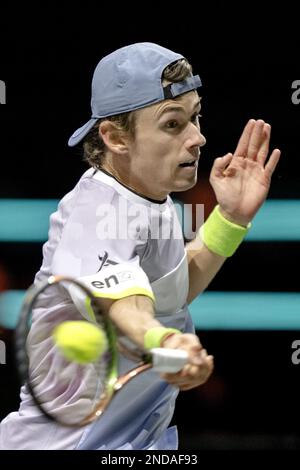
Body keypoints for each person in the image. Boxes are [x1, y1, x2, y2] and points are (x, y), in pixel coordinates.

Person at [0, 42, 280, 450]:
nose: (198, 137)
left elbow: (170, 293)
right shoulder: (95, 212)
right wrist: (167, 343)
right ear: (115, 137)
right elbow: (125, 305)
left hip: (137, 442)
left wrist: (229, 219)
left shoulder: (151, 197)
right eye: (172, 124)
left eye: (195, 117)